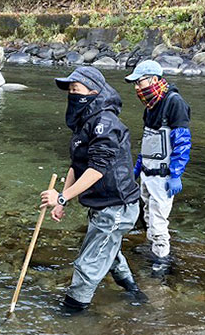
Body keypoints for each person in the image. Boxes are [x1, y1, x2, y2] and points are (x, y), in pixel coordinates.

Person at [40, 66, 147, 311]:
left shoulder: (106, 123)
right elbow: (77, 165)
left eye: (76, 90)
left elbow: (97, 168)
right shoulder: (84, 123)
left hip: (116, 206)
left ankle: (72, 313)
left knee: (88, 263)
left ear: (94, 91)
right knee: (107, 250)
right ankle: (134, 294)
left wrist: (63, 197)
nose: (72, 95)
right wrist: (60, 202)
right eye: (70, 91)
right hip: (102, 205)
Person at [124, 60, 192, 277]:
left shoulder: (174, 102)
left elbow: (182, 141)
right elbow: (148, 141)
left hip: (163, 176)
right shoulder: (150, 105)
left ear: (154, 79)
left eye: (139, 81)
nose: (136, 87)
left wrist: (176, 174)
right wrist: (137, 168)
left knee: (159, 219)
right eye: (134, 83)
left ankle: (161, 261)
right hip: (147, 172)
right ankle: (151, 248)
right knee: (146, 213)